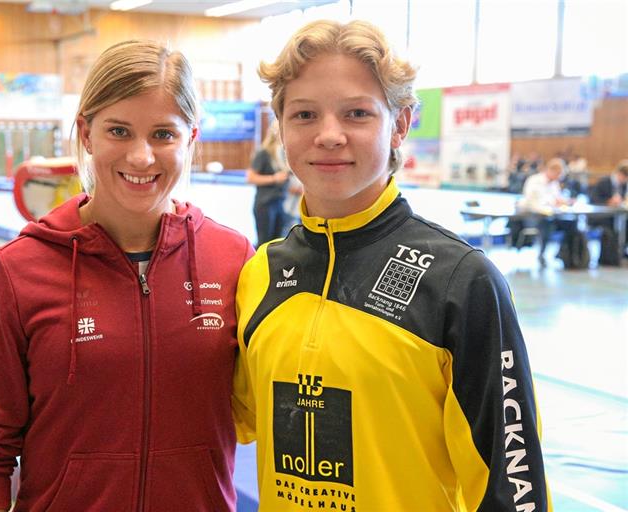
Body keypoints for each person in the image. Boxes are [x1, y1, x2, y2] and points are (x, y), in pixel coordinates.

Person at [232, 20, 550, 511]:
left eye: (357, 113)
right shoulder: (261, 274)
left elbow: (512, 485)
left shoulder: (460, 282)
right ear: (281, 125)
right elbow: (227, 417)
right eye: (305, 115)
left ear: (400, 124)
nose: (329, 135)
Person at [0, 40, 253, 512]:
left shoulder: (232, 258)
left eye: (163, 134)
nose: (141, 157)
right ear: (87, 134)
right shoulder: (19, 271)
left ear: (191, 138)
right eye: (119, 130)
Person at [520, 157, 578, 266]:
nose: (559, 177)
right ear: (550, 170)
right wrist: (551, 203)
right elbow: (532, 202)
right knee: (547, 224)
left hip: (552, 215)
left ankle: (564, 253)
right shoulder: (534, 181)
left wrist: (564, 202)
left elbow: (557, 199)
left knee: (572, 223)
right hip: (533, 216)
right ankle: (542, 253)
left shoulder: (555, 184)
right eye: (558, 174)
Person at [246, 119, 291, 246]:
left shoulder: (283, 153)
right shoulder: (264, 153)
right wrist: (274, 179)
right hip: (265, 204)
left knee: (278, 243)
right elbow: (250, 178)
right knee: (264, 243)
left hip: (280, 202)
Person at [589, 159, 628, 263]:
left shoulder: (624, 185)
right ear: (620, 174)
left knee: (625, 225)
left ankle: (621, 253)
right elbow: (593, 200)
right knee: (610, 229)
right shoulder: (604, 182)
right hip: (601, 216)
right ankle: (608, 258)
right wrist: (608, 202)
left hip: (615, 215)